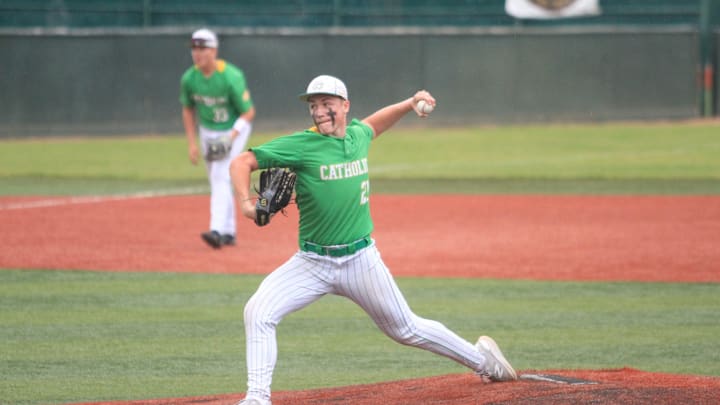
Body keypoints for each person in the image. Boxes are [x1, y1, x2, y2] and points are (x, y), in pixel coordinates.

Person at [229, 75, 517, 405]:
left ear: (345, 106)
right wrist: (248, 205)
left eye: (327, 104)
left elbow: (375, 123)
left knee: (406, 329)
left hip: (360, 261)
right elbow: (242, 162)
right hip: (312, 262)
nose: (320, 111)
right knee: (258, 312)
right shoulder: (301, 145)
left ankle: (484, 361)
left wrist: (409, 105)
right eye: (314, 105)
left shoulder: (357, 136)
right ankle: (257, 398)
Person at [180, 28, 256, 249]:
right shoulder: (189, 78)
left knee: (221, 175)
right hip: (207, 131)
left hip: (234, 129)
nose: (197, 53)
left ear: (214, 50)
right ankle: (229, 232)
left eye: (202, 48)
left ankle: (216, 230)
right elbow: (187, 109)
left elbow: (248, 112)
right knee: (218, 177)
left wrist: (230, 138)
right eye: (194, 48)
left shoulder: (231, 76)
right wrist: (192, 143)